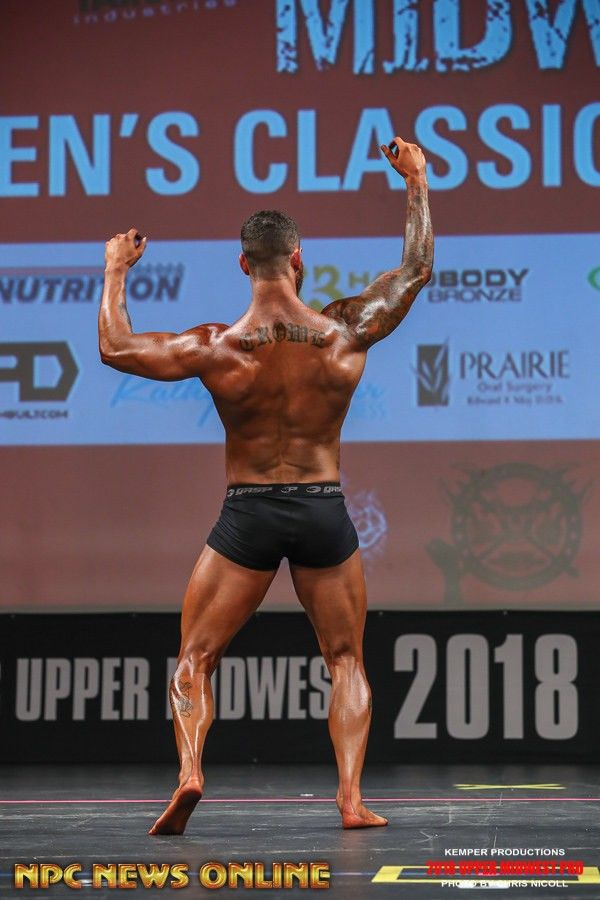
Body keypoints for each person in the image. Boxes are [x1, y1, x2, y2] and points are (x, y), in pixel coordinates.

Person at [98, 137, 433, 835]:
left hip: (247, 514)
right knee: (345, 659)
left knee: (195, 659)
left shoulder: (216, 346)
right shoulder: (345, 331)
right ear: (299, 258)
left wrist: (115, 270)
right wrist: (417, 180)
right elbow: (416, 270)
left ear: (244, 263)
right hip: (322, 511)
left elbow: (115, 347)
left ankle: (191, 772)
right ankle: (350, 801)